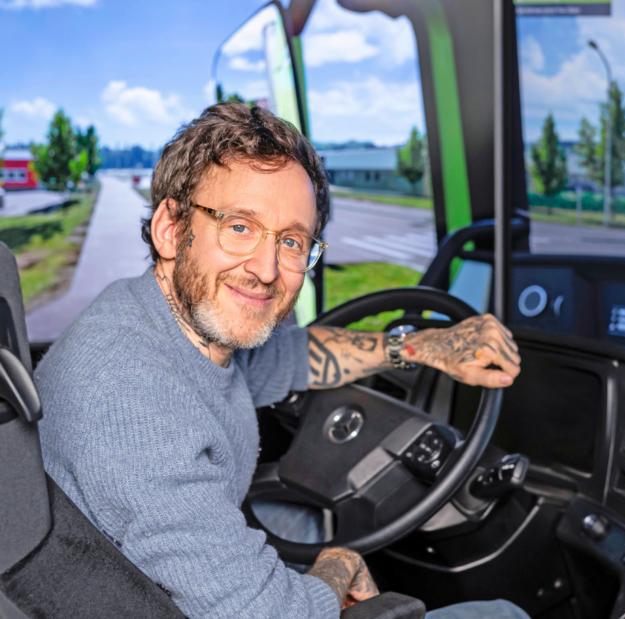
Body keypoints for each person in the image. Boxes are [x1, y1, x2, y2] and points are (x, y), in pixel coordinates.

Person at [35, 103, 526, 618]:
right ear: (170, 229)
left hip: (145, 579)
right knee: (503, 614)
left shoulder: (158, 319)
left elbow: (291, 357)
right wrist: (338, 565)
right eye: (239, 227)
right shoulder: (131, 405)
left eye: (292, 241)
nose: (267, 270)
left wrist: (417, 347)